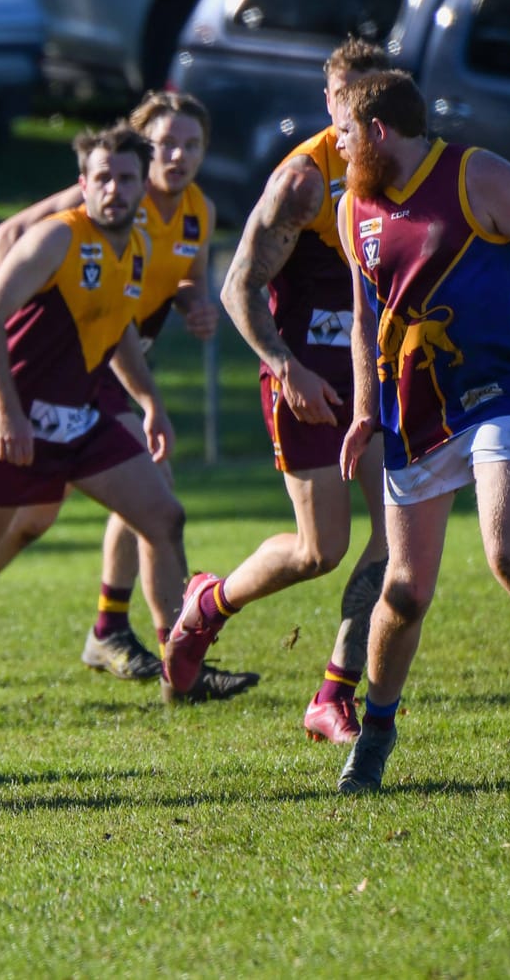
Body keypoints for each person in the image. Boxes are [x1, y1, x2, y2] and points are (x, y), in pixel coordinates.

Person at [0, 93, 251, 701]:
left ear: (141, 187)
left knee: (162, 516)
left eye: (126, 179)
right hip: (16, 411)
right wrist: (8, 406)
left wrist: (152, 402)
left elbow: (118, 332)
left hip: (80, 411)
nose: (116, 189)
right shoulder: (58, 238)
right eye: (103, 179)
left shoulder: (144, 239)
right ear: (83, 183)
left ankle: (178, 666)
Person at [329, 69, 510, 792]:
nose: (334, 145)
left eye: (342, 132)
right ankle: (376, 733)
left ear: (378, 131)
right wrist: (366, 408)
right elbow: (365, 319)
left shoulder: (477, 175)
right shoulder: (352, 207)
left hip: (500, 391)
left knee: (508, 552)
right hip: (412, 409)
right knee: (403, 591)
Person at [164, 38, 395, 743]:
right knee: (319, 549)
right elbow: (237, 287)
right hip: (308, 374)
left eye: (371, 98)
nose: (357, 113)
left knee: (400, 537)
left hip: (379, 372)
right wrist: (284, 364)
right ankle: (209, 602)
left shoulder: (407, 163)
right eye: (344, 98)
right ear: (329, 102)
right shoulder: (304, 178)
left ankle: (333, 694)